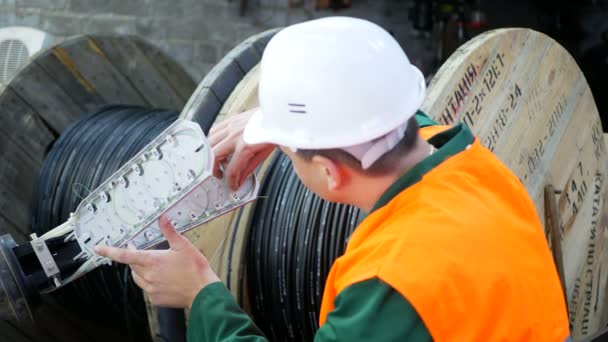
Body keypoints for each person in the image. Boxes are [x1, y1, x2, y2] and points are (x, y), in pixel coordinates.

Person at [95, 17, 571, 341]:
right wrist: (279, 125)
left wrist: (201, 297)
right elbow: (386, 113)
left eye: (293, 155)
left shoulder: (390, 286)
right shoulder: (471, 161)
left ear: (328, 172)